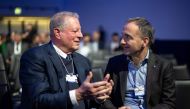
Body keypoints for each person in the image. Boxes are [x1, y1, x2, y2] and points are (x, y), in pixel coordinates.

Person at [19, 11, 113, 109]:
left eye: (80, 31)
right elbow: (38, 100)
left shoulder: (83, 61)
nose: (81, 35)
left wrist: (98, 96)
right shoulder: (34, 57)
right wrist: (77, 95)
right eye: (75, 31)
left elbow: (89, 100)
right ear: (58, 33)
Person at [102, 17, 175, 109]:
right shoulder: (114, 63)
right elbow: (104, 98)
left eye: (128, 37)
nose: (122, 42)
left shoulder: (164, 66)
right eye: (123, 36)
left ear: (144, 41)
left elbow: (169, 103)